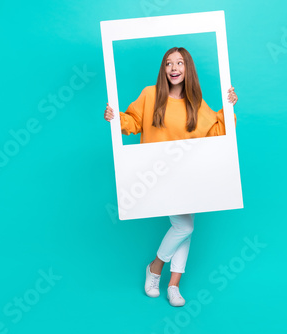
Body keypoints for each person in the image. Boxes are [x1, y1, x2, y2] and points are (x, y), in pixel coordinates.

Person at [104, 47, 238, 307]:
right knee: (185, 227)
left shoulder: (196, 105)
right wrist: (115, 118)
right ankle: (155, 269)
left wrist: (229, 107)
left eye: (179, 63)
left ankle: (173, 286)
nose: (174, 68)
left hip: (188, 176)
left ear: (188, 69)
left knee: (186, 229)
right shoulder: (150, 94)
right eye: (168, 64)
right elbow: (132, 123)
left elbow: (216, 133)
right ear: (163, 69)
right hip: (158, 174)